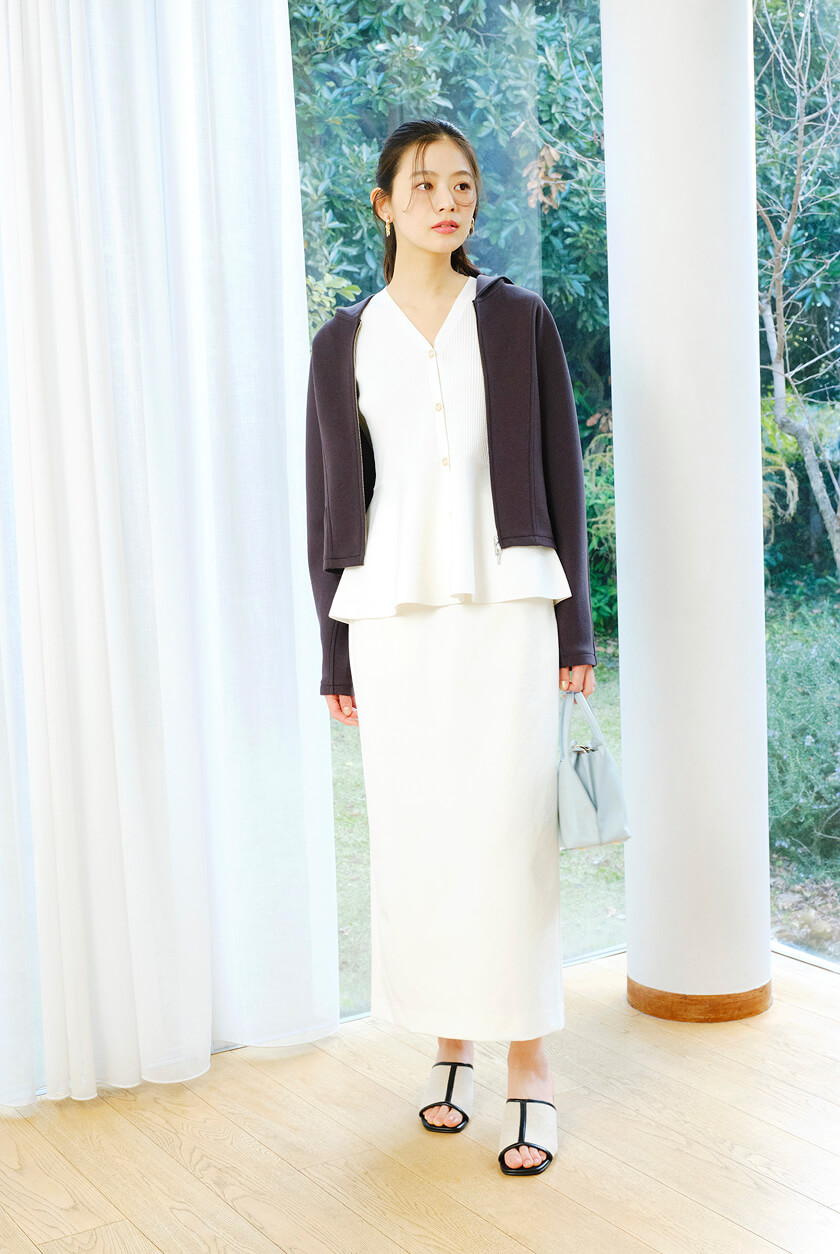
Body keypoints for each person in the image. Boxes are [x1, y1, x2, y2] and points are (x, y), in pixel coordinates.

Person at [305, 117, 597, 1175]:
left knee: (510, 838)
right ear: (384, 205)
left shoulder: (517, 320)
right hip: (392, 620)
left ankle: (530, 1064)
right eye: (424, 185)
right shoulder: (343, 340)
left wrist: (576, 625)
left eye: (463, 185)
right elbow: (330, 504)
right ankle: (449, 1042)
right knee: (421, 838)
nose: (447, 201)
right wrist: (335, 653)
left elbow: (561, 474)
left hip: (508, 606)